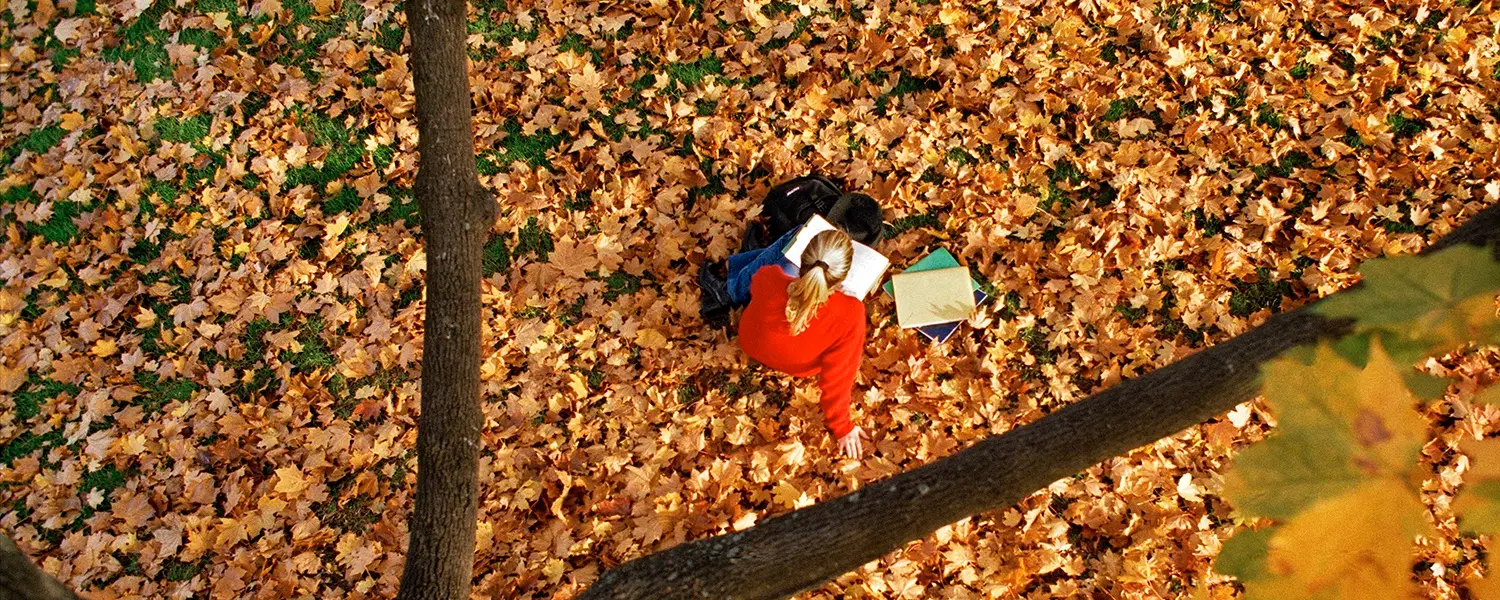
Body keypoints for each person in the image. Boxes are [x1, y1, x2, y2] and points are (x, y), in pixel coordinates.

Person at [736, 228, 871, 458]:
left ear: (803, 260)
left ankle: (733, 271)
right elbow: (838, 378)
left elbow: (759, 286)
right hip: (799, 366)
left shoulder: (768, 276)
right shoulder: (851, 313)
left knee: (792, 234)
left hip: (750, 341)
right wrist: (842, 428)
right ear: (841, 278)